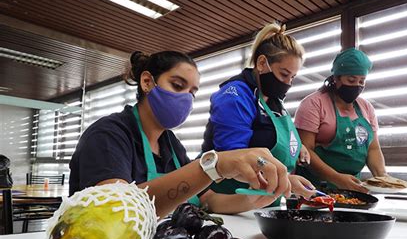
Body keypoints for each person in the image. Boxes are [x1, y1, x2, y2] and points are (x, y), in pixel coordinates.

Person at [69, 51, 292, 217]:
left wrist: (265, 192)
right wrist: (214, 165)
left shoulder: (171, 145)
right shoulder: (107, 135)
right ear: (147, 82)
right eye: (178, 85)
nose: (186, 98)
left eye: (192, 92)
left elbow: (208, 201)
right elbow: (116, 210)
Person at [200, 22, 315, 210]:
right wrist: (285, 181)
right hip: (228, 202)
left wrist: (298, 146)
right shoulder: (234, 96)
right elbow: (234, 160)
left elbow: (270, 133)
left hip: (266, 202)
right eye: (284, 74)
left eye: (292, 77)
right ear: (262, 63)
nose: (288, 83)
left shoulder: (273, 100)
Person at [294, 48, 387, 193]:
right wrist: (336, 178)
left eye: (362, 81)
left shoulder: (366, 108)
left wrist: (383, 178)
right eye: (351, 80)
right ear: (336, 78)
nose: (357, 85)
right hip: (314, 188)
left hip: (353, 188)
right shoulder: (314, 104)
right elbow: (306, 151)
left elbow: (373, 148)